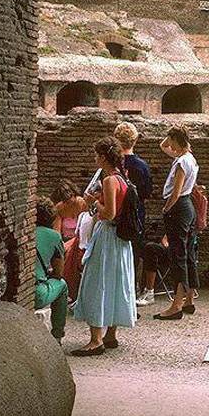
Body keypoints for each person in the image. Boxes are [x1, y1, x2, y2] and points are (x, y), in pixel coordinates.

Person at [71, 137, 137, 355]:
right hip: (121, 241)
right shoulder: (123, 178)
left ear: (102, 157)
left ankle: (96, 340)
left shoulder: (109, 180)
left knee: (97, 282)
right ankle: (110, 335)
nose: (94, 158)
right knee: (116, 283)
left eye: (96, 155)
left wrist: (93, 202)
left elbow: (109, 213)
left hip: (108, 236)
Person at [153, 125, 199, 320]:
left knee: (178, 255)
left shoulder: (181, 162)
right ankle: (189, 300)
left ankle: (176, 305)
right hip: (188, 208)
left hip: (178, 207)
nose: (168, 143)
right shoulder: (189, 158)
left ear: (175, 139)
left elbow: (176, 191)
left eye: (170, 139)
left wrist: (166, 208)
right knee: (188, 254)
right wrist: (172, 135)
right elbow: (163, 146)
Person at [113, 121, 152, 295]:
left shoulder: (113, 165)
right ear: (135, 140)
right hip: (136, 215)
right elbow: (147, 192)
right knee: (133, 254)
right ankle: (131, 291)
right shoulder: (142, 166)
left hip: (115, 213)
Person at [35, 196, 68, 343]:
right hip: (37, 293)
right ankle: (57, 336)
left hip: (16, 289)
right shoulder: (54, 236)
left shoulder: (23, 232)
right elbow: (59, 273)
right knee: (62, 286)